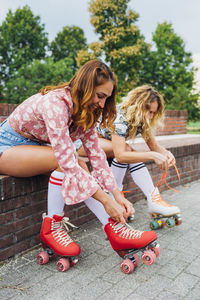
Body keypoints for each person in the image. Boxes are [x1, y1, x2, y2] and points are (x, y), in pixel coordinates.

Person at [0, 61, 157, 262]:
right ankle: (51, 229)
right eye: (100, 96)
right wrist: (106, 201)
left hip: (35, 148)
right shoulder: (56, 103)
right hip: (7, 146)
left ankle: (117, 230)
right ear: (85, 86)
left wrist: (117, 196)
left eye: (106, 98)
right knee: (69, 161)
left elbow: (98, 158)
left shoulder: (86, 113)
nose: (102, 104)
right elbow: (66, 160)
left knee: (80, 164)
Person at [77, 85, 181, 227]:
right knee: (126, 149)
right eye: (149, 111)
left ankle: (153, 199)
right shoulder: (121, 117)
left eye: (153, 113)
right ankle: (120, 197)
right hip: (83, 144)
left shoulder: (141, 119)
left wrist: (167, 154)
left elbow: (155, 147)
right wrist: (152, 156)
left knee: (129, 150)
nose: (151, 116)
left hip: (102, 144)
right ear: (138, 106)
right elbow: (120, 155)